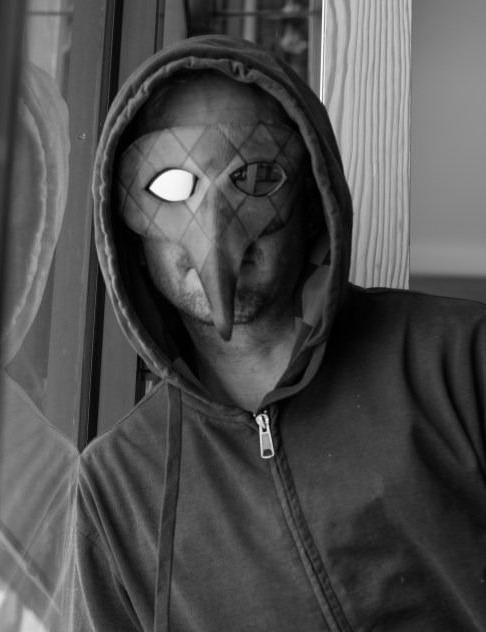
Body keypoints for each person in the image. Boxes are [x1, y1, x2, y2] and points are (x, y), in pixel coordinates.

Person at [71, 35, 486, 630]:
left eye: (257, 175)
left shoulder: (458, 360)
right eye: (169, 187)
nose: (213, 229)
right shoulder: (118, 489)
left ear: (313, 199)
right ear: (128, 233)